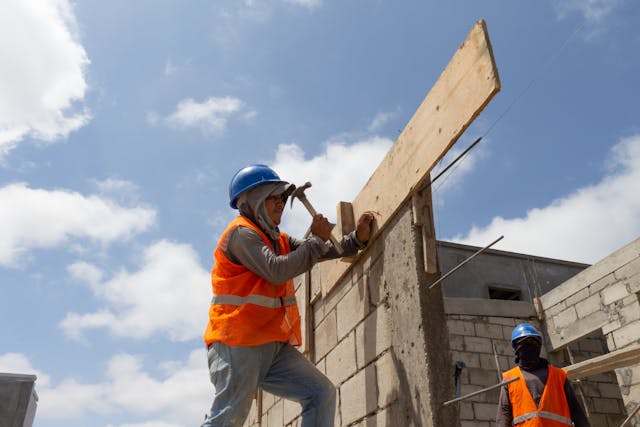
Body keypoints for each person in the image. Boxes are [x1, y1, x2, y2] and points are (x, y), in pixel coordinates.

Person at [201, 164, 375, 427]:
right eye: (274, 196)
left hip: (272, 346)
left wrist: (355, 241)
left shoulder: (278, 239)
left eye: (283, 197)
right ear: (253, 200)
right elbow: (276, 270)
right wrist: (316, 239)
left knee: (320, 393)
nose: (281, 202)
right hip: (238, 342)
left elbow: (318, 251)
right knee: (228, 420)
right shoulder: (242, 234)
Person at [496, 323, 590, 427]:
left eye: (532, 342)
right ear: (516, 349)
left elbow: (576, 411)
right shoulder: (510, 379)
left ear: (539, 346)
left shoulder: (558, 376)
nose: (529, 346)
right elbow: (504, 416)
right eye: (524, 343)